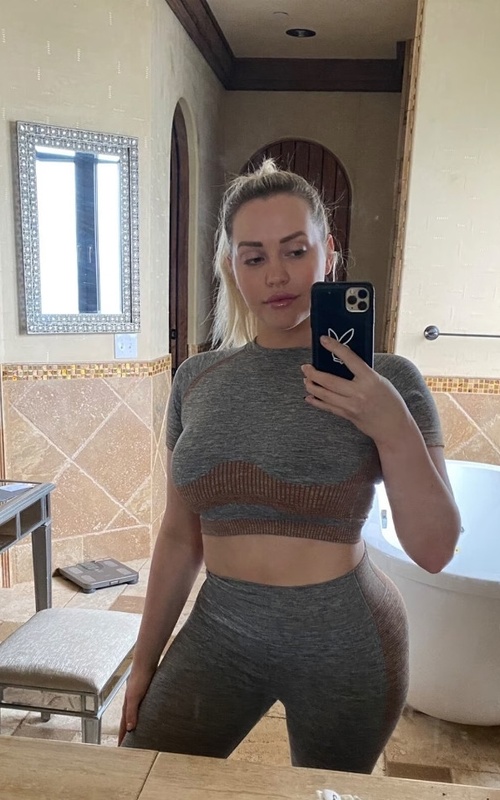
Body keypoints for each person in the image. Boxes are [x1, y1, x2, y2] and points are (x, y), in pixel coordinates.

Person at [119, 160, 460, 772]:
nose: (276, 275)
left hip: (347, 640)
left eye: (295, 251)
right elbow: (178, 536)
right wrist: (144, 663)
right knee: (146, 774)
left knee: (329, 795)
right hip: (220, 630)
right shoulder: (197, 379)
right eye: (253, 257)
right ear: (232, 268)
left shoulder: (389, 379)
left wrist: (389, 422)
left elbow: (435, 550)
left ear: (329, 254)